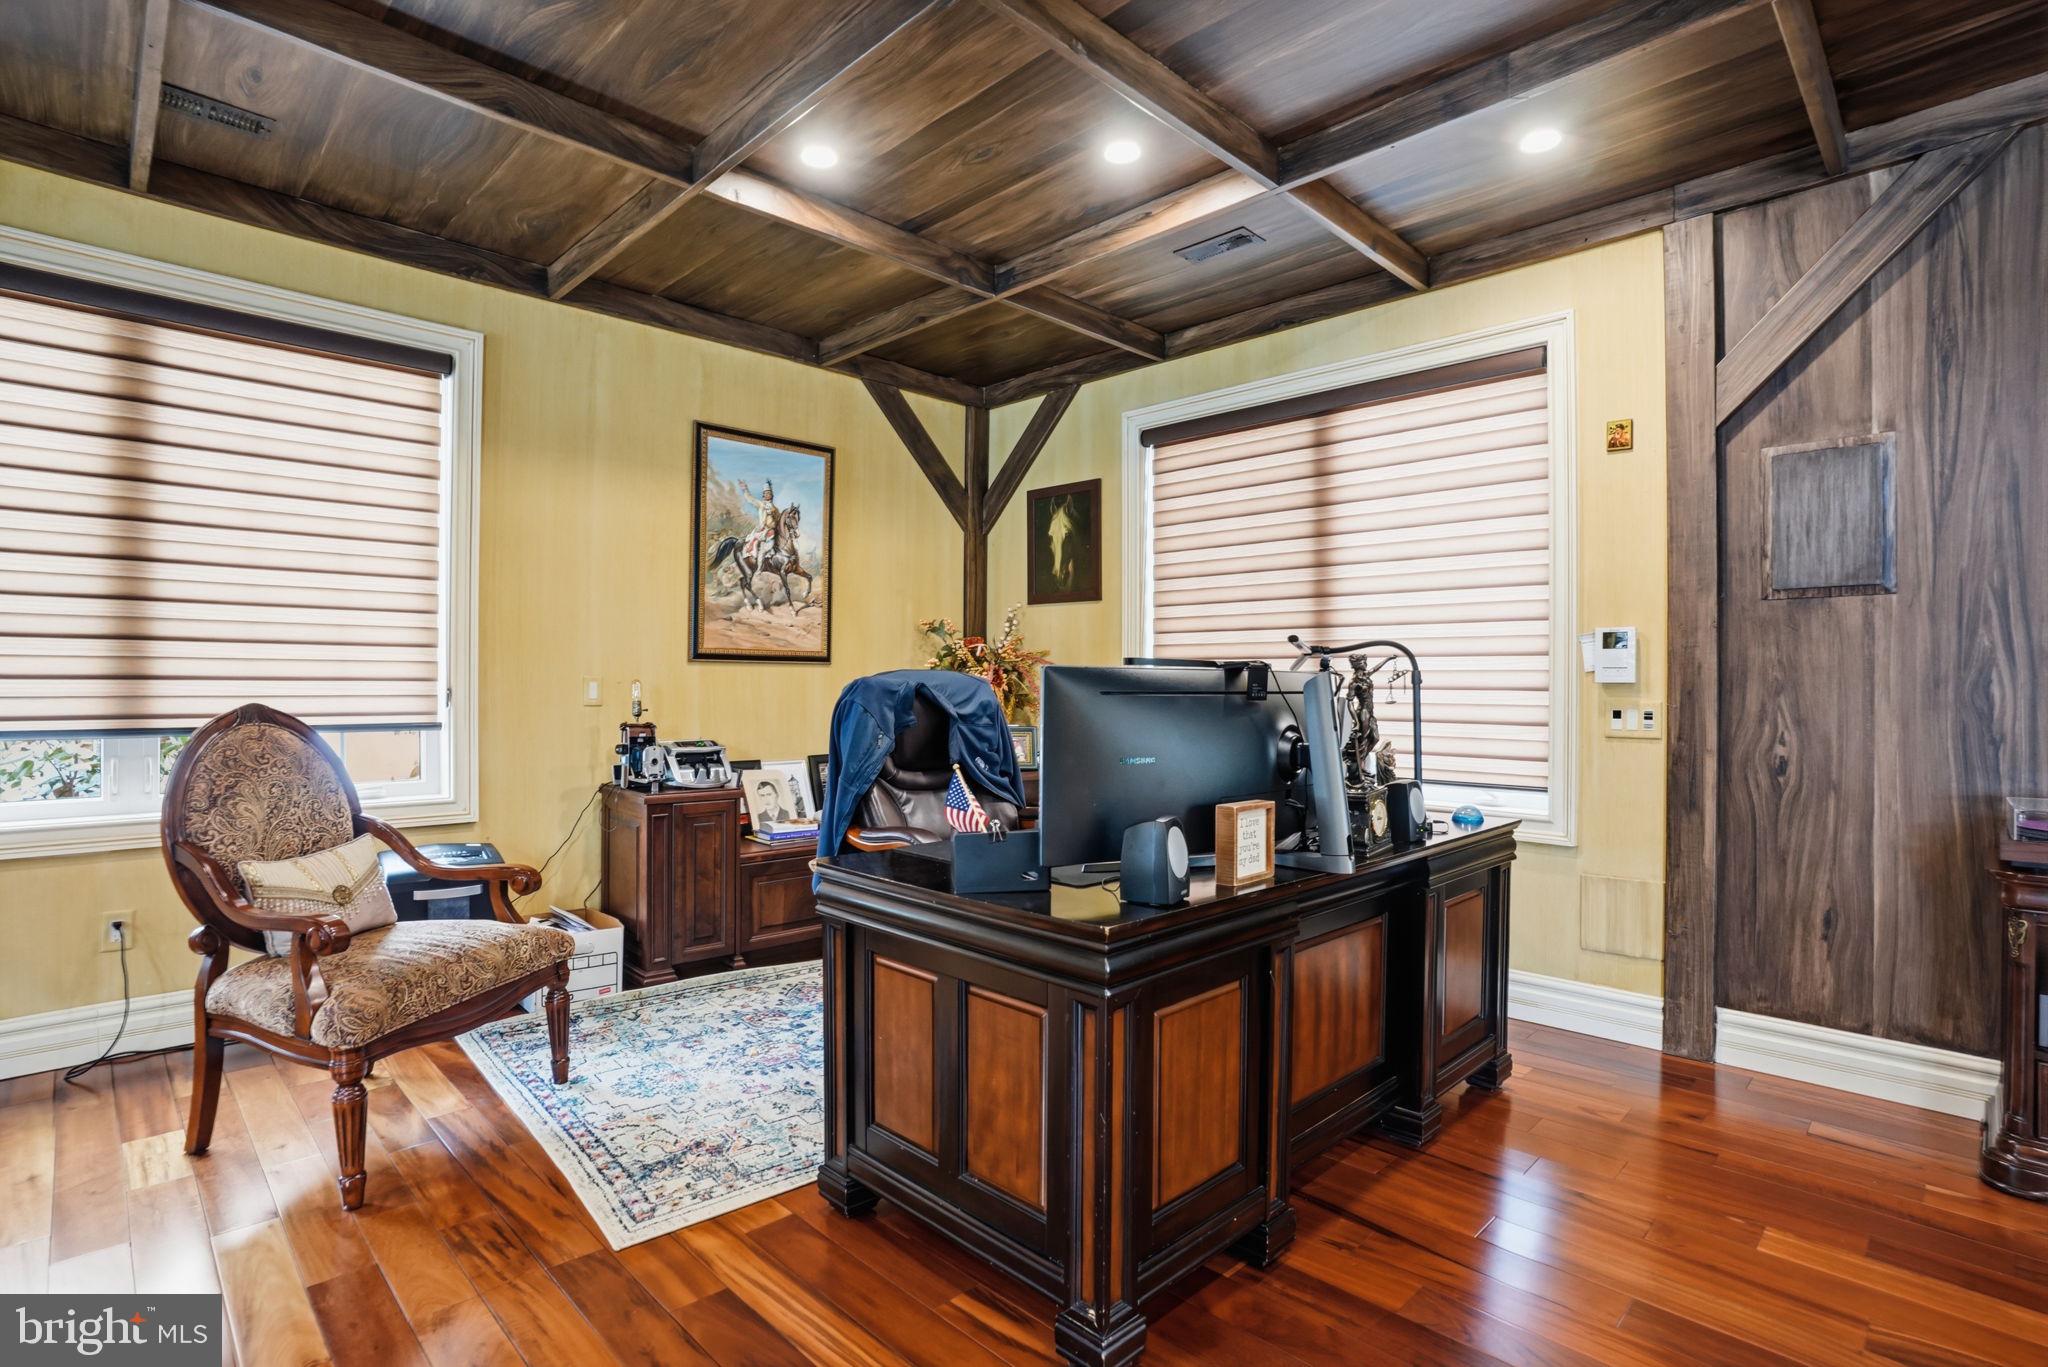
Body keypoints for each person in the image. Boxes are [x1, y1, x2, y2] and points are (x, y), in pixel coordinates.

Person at [738, 478, 778, 557]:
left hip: (773, 530)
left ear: (771, 495)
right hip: (762, 529)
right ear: (763, 495)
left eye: (768, 493)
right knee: (757, 542)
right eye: (765, 493)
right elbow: (751, 499)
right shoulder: (761, 504)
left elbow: (778, 520)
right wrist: (745, 489)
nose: (767, 495)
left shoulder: (775, 509)